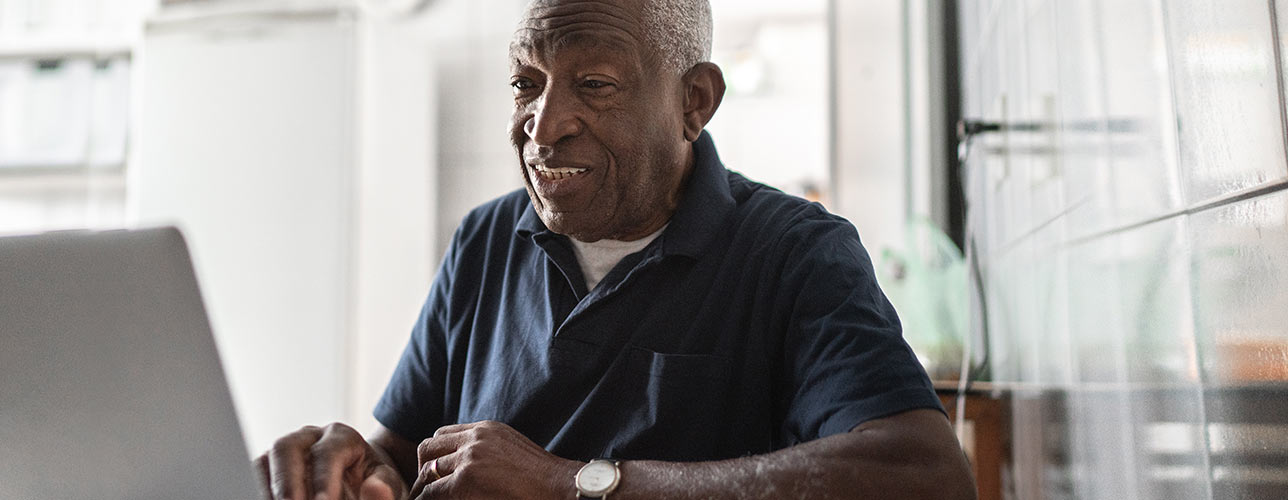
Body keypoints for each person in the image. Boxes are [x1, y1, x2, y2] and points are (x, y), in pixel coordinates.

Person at [256, 0, 976, 498]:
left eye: (593, 85)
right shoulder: (484, 239)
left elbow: (924, 476)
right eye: (525, 84)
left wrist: (569, 485)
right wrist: (348, 470)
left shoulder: (795, 254)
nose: (541, 129)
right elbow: (401, 453)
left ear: (695, 102)